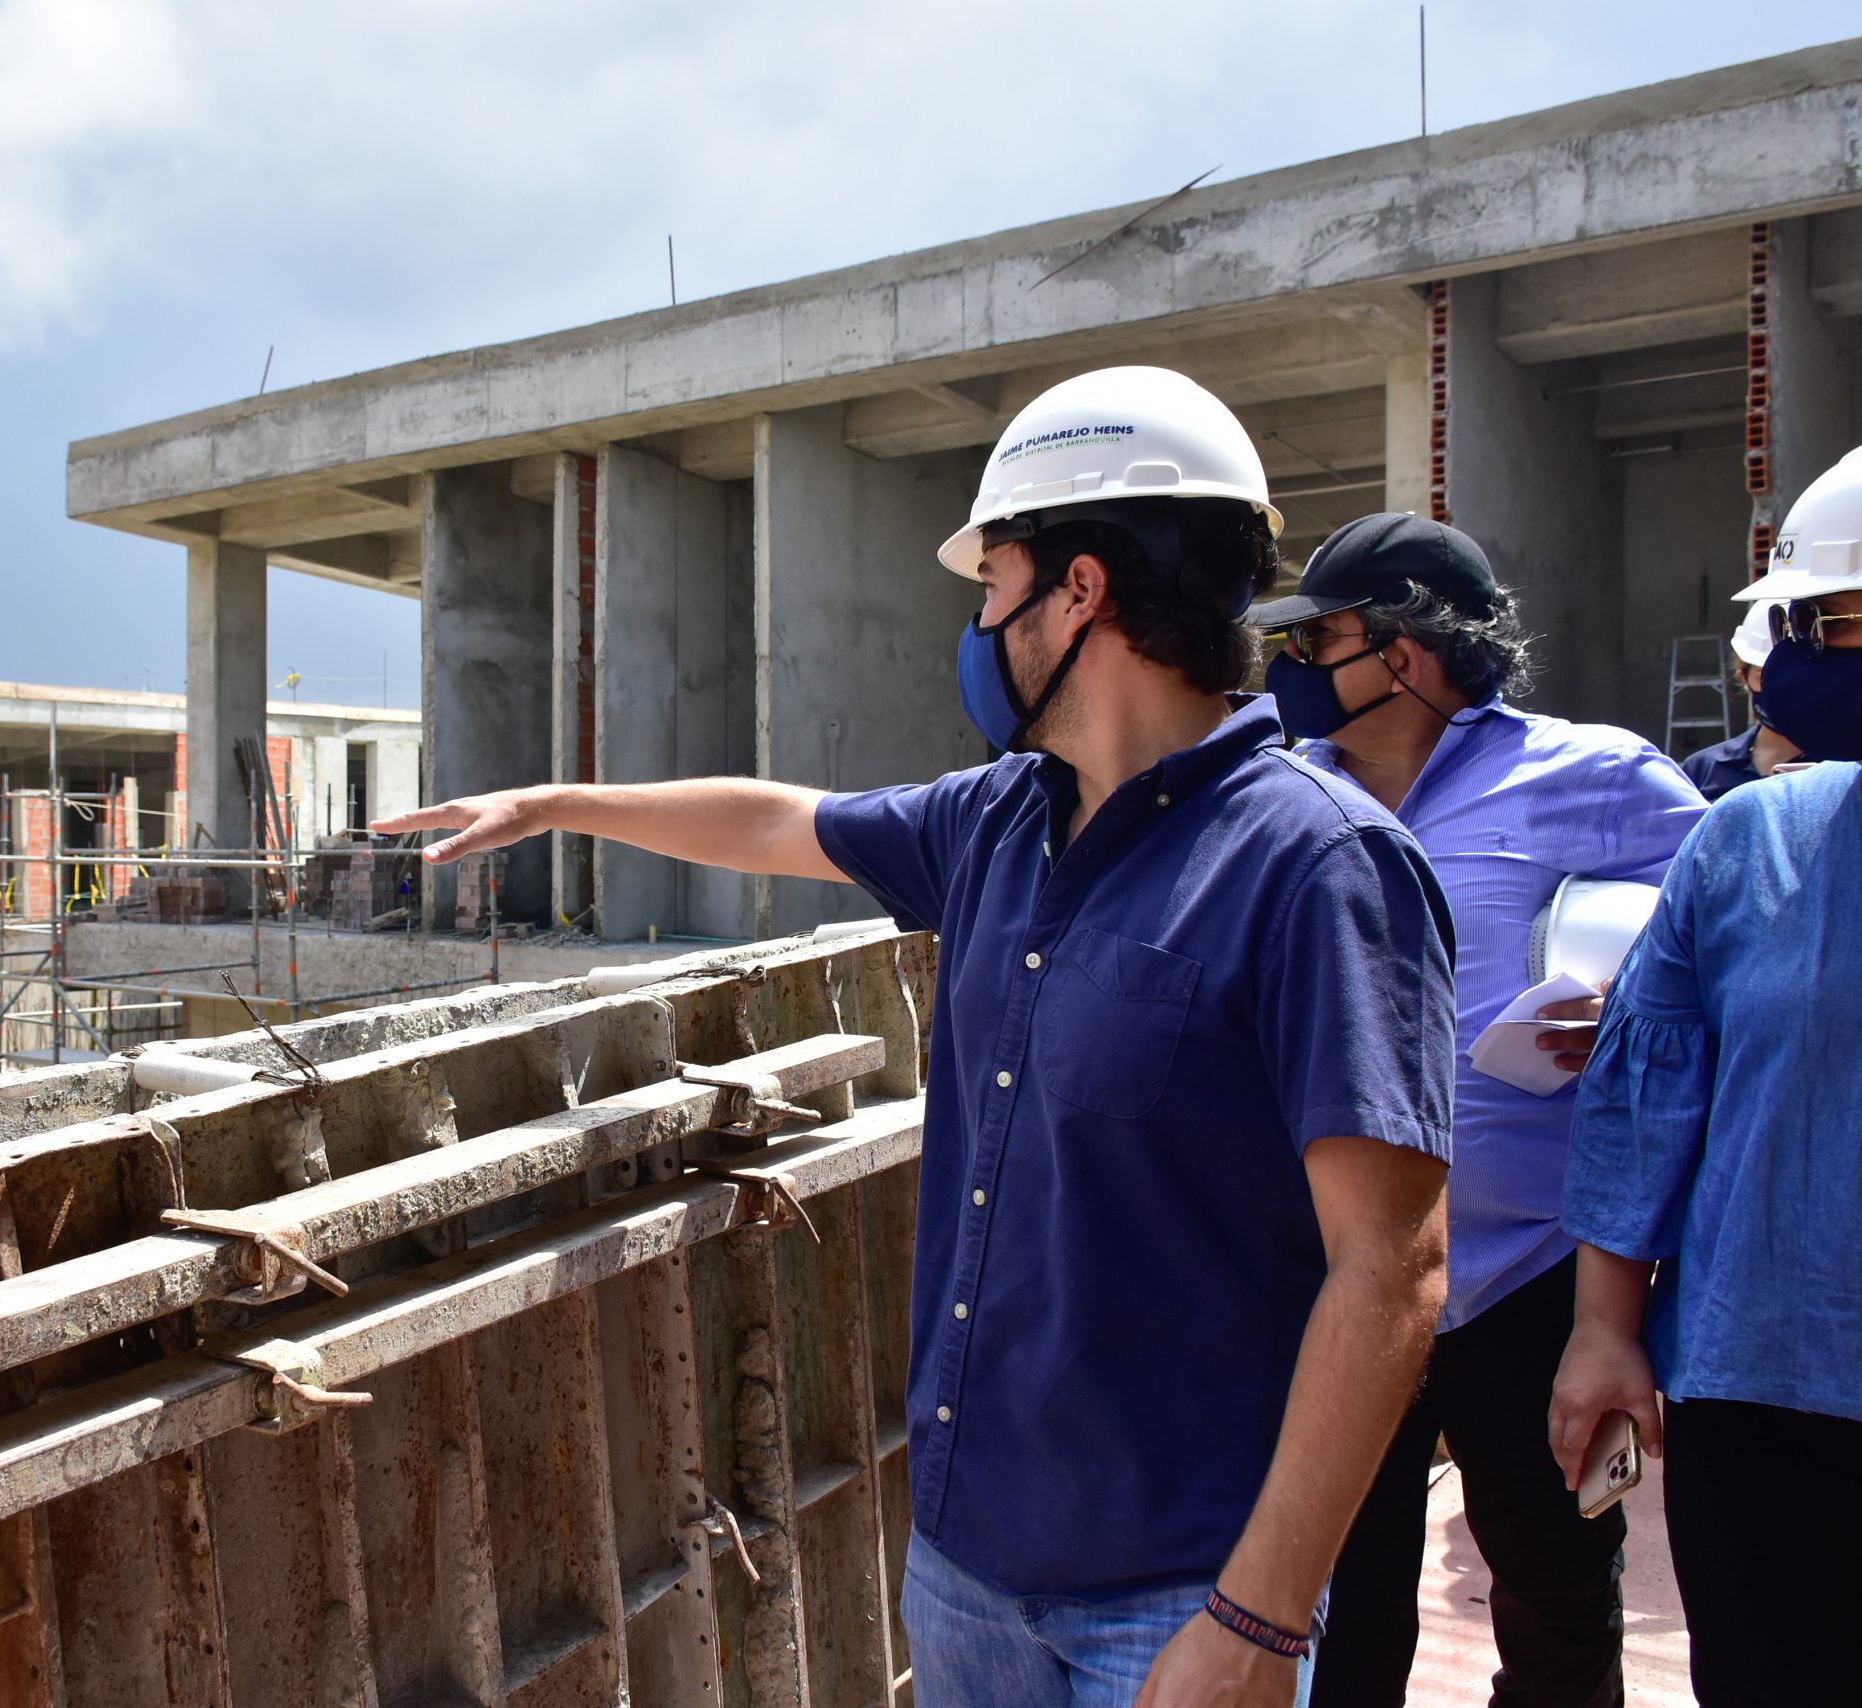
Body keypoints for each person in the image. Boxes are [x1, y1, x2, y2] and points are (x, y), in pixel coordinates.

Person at [379, 367, 1458, 1708]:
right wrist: (554, 803)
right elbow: (779, 822)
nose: (980, 625)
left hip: (1180, 1596)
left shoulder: (1320, 869)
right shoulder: (1000, 822)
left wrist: (1262, 1618)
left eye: (992, 584)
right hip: (966, 1572)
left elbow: (1392, 1268)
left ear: (1082, 589)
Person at [1246, 514, 1708, 1706]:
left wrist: (1635, 1006)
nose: (1288, 667)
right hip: (1341, 1275)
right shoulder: (1282, 794)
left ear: (1404, 652)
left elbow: (1731, 934)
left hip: (1532, 1283)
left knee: (1557, 1595)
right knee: (1338, 1611)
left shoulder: (1595, 776)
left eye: (1319, 639)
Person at [1551, 431, 1862, 1706]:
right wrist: (1604, 1330)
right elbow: (1643, 1094)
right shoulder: (1740, 846)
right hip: (1763, 1400)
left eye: (1833, 621)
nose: (1792, 655)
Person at [1677, 600, 1806, 800]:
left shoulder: (1848, 768)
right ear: (1743, 677)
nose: (1779, 686)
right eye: (1764, 675)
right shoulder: (1702, 771)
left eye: (1794, 675)